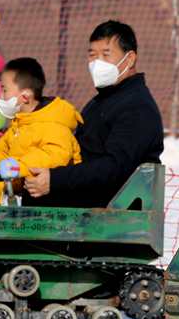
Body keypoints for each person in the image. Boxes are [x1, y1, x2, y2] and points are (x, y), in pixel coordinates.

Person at [23, 20, 164, 208]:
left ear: (129, 59)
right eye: (92, 55)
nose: (97, 63)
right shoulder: (103, 100)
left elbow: (114, 167)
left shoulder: (137, 107)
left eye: (106, 55)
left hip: (113, 215)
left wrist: (55, 180)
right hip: (89, 205)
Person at [0, 57, 82, 205]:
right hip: (24, 192)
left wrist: (19, 166)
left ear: (25, 97)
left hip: (54, 201)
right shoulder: (22, 123)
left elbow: (55, 156)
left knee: (8, 182)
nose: (1, 97)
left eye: (5, 90)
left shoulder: (53, 124)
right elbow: (1, 152)